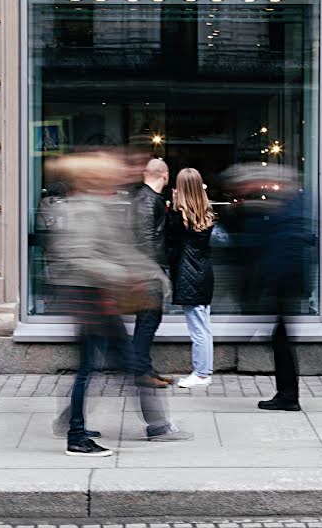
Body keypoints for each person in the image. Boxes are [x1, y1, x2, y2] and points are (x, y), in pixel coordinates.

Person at [48, 152, 191, 456]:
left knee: (115, 362)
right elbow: (81, 257)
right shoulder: (84, 209)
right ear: (93, 178)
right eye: (109, 174)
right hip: (86, 297)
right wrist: (123, 276)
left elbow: (120, 249)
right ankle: (78, 433)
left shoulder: (101, 205)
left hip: (99, 296)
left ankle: (74, 424)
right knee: (112, 363)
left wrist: (153, 274)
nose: (118, 177)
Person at [224, 163, 309, 411]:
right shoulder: (285, 206)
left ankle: (288, 396)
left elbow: (273, 247)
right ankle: (287, 395)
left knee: (280, 340)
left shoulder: (282, 208)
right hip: (284, 281)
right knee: (279, 338)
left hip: (282, 282)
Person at [168, 168, 215, 388]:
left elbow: (170, 243)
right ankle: (204, 371)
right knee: (203, 327)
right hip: (203, 275)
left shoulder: (179, 217)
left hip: (188, 278)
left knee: (198, 329)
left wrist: (172, 205)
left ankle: (201, 373)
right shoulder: (205, 213)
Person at [130, 158, 173, 388]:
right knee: (147, 321)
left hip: (148, 270)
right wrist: (156, 273)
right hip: (148, 272)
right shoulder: (147, 199)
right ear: (165, 175)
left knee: (148, 321)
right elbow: (146, 239)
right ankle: (141, 372)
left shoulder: (147, 198)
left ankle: (145, 368)